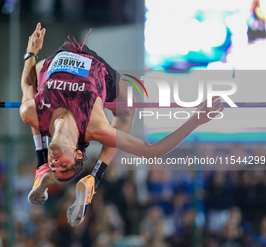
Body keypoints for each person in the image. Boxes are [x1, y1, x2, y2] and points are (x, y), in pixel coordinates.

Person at [19, 23, 224, 226]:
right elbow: (153, 151)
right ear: (78, 153)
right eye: (64, 165)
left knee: (35, 88)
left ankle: (42, 166)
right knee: (127, 111)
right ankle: (95, 177)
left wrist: (30, 52)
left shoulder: (31, 113)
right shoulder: (95, 125)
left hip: (56, 59)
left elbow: (27, 84)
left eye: (54, 167)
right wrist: (196, 120)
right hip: (95, 66)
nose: (56, 163)